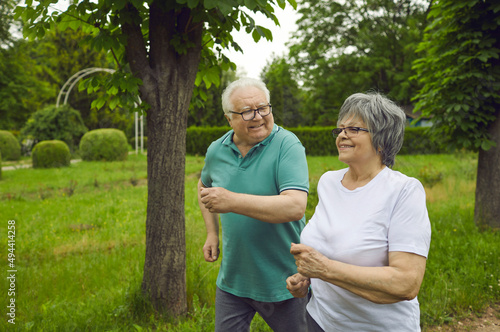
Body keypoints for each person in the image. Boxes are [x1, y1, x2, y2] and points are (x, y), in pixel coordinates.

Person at [286, 92, 431, 331]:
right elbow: (330, 244)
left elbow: (406, 283)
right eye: (340, 129)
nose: (342, 134)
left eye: (354, 129)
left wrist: (324, 269)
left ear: (382, 140)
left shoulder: (404, 191)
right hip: (321, 321)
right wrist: (307, 277)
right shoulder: (328, 182)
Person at [198, 77, 310, 331]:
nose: (258, 117)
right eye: (247, 111)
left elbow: (294, 206)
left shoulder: (287, 145)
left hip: (286, 280)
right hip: (234, 281)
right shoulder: (217, 150)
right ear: (229, 118)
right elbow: (204, 187)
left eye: (263, 108)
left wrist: (231, 200)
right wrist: (212, 233)